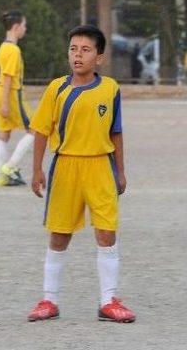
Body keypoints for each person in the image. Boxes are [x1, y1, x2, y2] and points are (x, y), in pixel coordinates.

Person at [27, 25, 135, 323]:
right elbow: (40, 129)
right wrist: (37, 169)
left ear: (99, 57)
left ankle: (108, 300)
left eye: (85, 50)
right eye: (74, 48)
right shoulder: (57, 89)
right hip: (66, 167)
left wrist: (121, 171)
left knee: (106, 232)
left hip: (101, 166)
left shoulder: (110, 89)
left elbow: (116, 132)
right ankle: (49, 300)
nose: (78, 55)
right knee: (59, 234)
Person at [0, 10, 34, 187]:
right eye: (24, 25)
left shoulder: (3, 46)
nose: (25, 29)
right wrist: (6, 105)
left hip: (0, 92)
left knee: (3, 134)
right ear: (16, 27)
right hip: (12, 93)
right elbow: (8, 77)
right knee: (35, 130)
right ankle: (10, 167)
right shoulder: (13, 50)